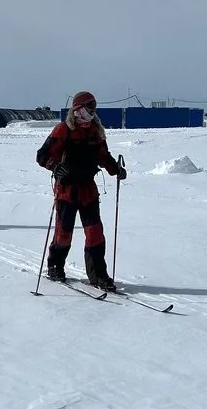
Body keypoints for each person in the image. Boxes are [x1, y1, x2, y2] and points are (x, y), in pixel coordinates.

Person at [35, 91, 127, 292]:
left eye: (94, 107)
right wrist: (54, 166)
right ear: (78, 109)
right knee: (64, 233)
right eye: (89, 107)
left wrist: (116, 169)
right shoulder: (63, 130)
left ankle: (98, 275)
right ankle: (55, 266)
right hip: (66, 190)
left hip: (88, 190)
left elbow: (103, 156)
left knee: (95, 233)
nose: (92, 111)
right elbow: (42, 155)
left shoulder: (95, 131)